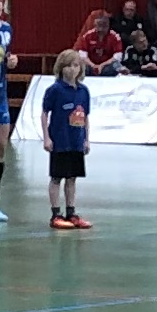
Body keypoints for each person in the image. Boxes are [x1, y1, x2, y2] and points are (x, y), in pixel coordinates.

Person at [42, 48, 95, 230]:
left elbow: (85, 116)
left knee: (72, 178)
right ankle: (55, 214)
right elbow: (44, 114)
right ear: (61, 68)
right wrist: (47, 138)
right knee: (57, 177)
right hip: (60, 140)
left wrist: (86, 139)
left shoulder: (83, 91)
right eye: (69, 66)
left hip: (76, 141)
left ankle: (71, 212)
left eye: (76, 66)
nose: (73, 70)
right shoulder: (55, 90)